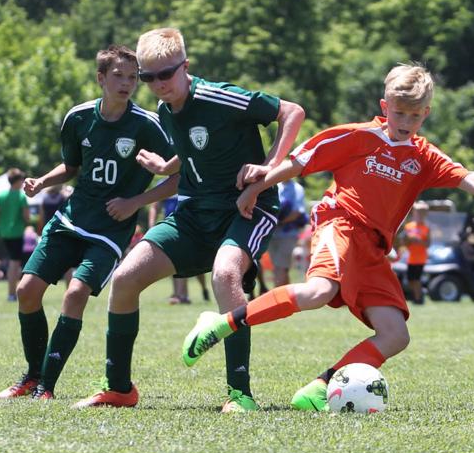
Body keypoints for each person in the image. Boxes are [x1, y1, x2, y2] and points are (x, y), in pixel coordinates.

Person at [180, 63, 474, 411]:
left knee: (395, 334)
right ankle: (223, 322)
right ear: (384, 107)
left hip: (373, 249)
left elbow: (471, 181)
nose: (406, 123)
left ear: (426, 113)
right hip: (340, 224)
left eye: (414, 116)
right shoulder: (357, 136)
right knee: (319, 290)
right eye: (399, 113)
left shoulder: (424, 156)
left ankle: (320, 386)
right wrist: (258, 187)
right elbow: (299, 162)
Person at [75, 27, 304, 411]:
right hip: (196, 213)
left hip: (247, 207)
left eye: (166, 74)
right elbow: (196, 148)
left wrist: (270, 168)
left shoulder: (220, 96)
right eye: (148, 78)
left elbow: (292, 112)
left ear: (186, 66)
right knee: (126, 277)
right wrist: (166, 166)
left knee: (225, 275)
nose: (158, 84)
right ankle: (118, 389)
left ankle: (240, 395)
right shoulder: (166, 111)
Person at [0, 44, 178, 401]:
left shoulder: (147, 125)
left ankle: (46, 387)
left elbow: (178, 174)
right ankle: (32, 377)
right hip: (71, 219)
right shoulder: (78, 118)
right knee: (26, 290)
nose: (126, 83)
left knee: (75, 293)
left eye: (132, 77)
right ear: (100, 78)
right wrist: (43, 182)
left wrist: (136, 202)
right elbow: (73, 166)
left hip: (110, 230)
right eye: (118, 76)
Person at [0, 169, 31, 301]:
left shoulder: (2, 195)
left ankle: (12, 293)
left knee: (12, 262)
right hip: (16, 232)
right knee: (14, 263)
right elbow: (27, 217)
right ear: (18, 181)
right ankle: (12, 294)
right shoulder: (21, 196)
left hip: (4, 232)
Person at [269, 178, 308, 286]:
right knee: (280, 268)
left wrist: (279, 222)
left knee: (280, 268)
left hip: (288, 234)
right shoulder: (276, 185)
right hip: (272, 234)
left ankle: (276, 300)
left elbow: (297, 212)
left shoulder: (297, 189)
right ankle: (287, 299)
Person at [399, 201, 431, 305]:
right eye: (418, 212)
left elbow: (428, 244)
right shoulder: (409, 226)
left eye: (422, 212)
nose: (419, 215)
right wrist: (407, 240)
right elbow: (404, 242)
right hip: (411, 258)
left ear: (425, 214)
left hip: (421, 258)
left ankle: (418, 299)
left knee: (416, 279)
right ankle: (418, 295)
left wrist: (418, 241)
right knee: (410, 279)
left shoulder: (426, 228)